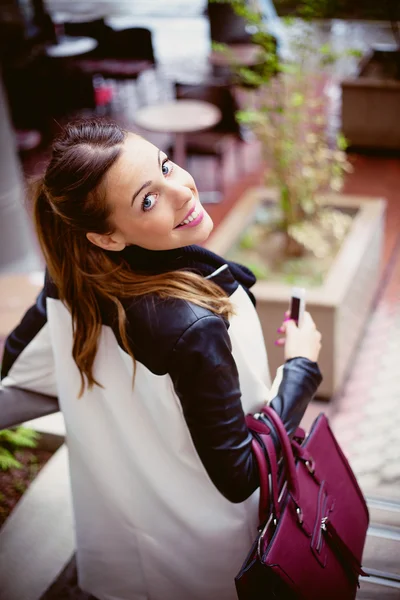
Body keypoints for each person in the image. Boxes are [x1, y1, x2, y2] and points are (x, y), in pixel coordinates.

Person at [1, 119, 322, 600]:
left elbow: (15, 367)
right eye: (147, 200)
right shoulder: (193, 324)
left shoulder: (74, 281)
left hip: (120, 541)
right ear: (107, 237)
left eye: (166, 165)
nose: (182, 191)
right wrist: (300, 367)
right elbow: (237, 476)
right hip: (208, 552)